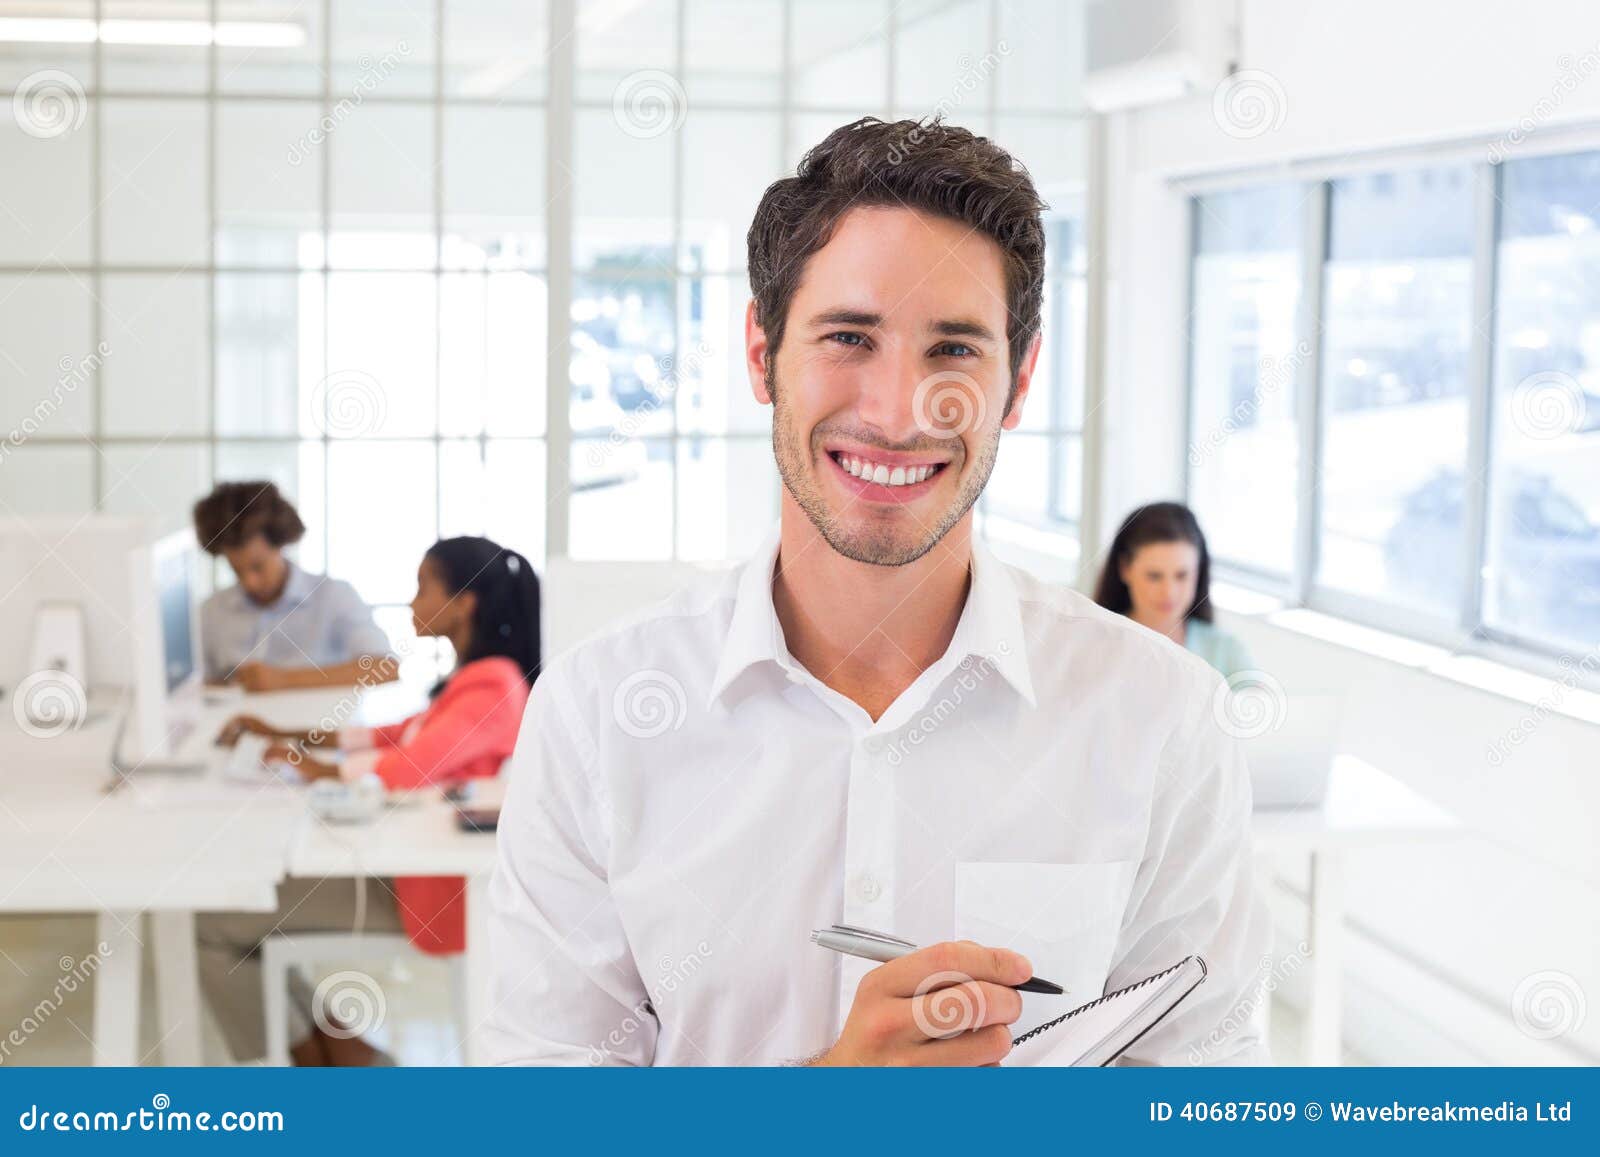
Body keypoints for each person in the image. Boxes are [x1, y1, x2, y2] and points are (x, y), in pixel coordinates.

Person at [485, 117, 1271, 1067]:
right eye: (849, 336)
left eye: (955, 350)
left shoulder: (1162, 717)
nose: (900, 412)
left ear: (1018, 381)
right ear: (759, 349)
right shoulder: (593, 715)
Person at [202, 536, 540, 1065]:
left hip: (427, 898)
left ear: (464, 603)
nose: (411, 603)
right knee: (239, 904)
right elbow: (395, 734)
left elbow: (406, 768)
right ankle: (342, 1051)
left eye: (423, 587)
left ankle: (313, 1060)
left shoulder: (493, 688)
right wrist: (289, 735)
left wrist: (303, 765)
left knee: (213, 922)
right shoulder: (477, 679)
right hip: (409, 869)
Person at [193, 480, 397, 691]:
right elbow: (193, 685)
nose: (249, 582)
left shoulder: (333, 597)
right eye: (237, 570)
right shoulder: (211, 611)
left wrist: (284, 680)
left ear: (281, 545)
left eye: (258, 567)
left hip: (319, 723)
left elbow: (386, 668)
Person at [1093, 502, 1254, 679]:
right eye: (1154, 576)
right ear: (1125, 569)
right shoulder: (1095, 644)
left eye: (1182, 575)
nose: (1169, 592)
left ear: (1198, 572)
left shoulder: (1227, 652)